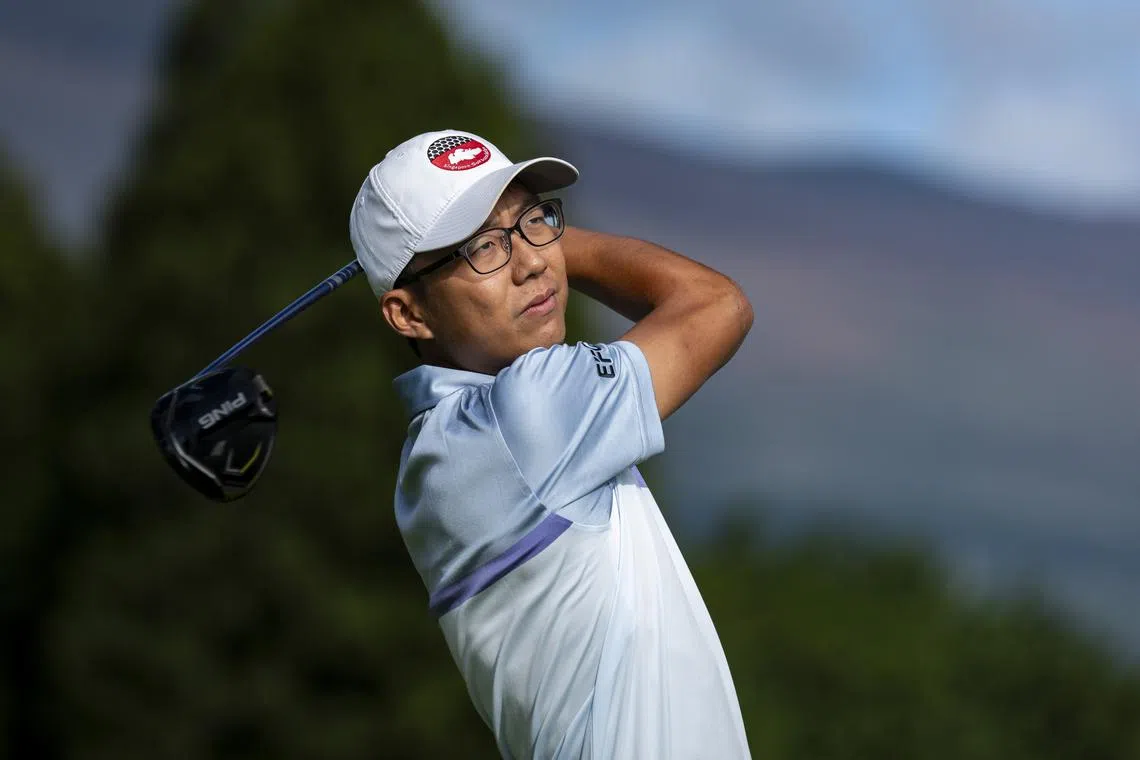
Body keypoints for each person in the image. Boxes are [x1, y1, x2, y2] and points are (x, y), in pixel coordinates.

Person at [349, 130, 753, 759]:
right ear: (409, 314)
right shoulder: (526, 416)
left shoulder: (438, 451)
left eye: (536, 219)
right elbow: (716, 304)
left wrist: (514, 237)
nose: (532, 263)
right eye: (482, 247)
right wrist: (547, 241)